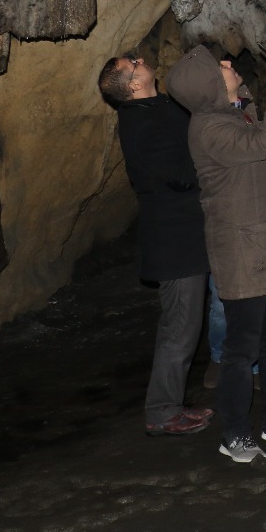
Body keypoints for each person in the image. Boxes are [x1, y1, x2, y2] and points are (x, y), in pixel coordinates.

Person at [168, 44, 266, 464]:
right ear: (207, 86)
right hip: (240, 251)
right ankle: (235, 434)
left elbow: (256, 133)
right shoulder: (208, 127)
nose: (229, 64)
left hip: (264, 244)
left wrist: (249, 99)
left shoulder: (226, 114)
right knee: (242, 350)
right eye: (219, 67)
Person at [97, 53, 214, 438]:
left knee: (184, 323)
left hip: (183, 234)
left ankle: (170, 405)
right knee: (180, 327)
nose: (141, 59)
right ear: (132, 84)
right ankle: (163, 411)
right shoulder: (139, 121)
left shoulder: (157, 107)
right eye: (133, 63)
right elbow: (176, 174)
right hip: (175, 239)